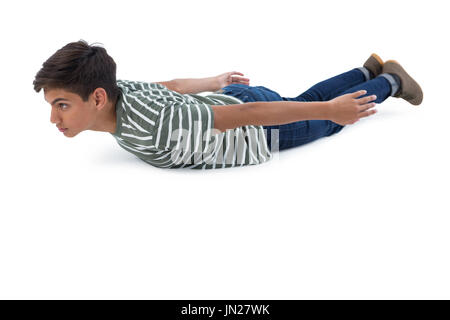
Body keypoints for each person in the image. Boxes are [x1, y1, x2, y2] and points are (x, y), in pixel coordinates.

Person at [33, 40, 423, 170]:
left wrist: (331, 114)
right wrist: (215, 82)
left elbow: (248, 116)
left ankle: (389, 82)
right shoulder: (121, 90)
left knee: (321, 112)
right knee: (306, 99)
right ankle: (366, 68)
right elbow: (170, 85)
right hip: (229, 102)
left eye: (62, 105)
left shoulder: (156, 125)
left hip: (255, 127)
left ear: (97, 97)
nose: (53, 118)